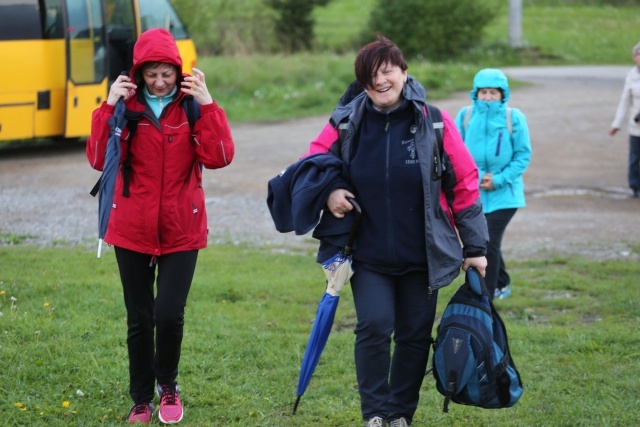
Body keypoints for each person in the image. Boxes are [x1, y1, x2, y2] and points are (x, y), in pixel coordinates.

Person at [268, 34, 488, 427]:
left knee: (415, 336)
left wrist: (475, 247)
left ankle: (400, 415)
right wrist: (332, 189)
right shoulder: (347, 121)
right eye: (370, 76)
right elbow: (314, 159)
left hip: (423, 254)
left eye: (387, 72)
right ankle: (374, 415)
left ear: (403, 72)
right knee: (373, 326)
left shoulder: (434, 122)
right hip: (367, 254)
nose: (380, 82)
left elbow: (465, 183)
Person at [86, 28, 234, 424]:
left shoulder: (190, 107)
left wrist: (208, 104)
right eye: (151, 73)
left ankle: (167, 385)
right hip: (131, 227)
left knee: (169, 313)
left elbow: (220, 157)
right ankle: (140, 398)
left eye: (166, 72)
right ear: (138, 72)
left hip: (181, 229)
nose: (159, 81)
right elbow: (99, 158)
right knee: (140, 318)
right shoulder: (125, 106)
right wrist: (108, 106)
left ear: (178, 69)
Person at [454, 68, 532, 300]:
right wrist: (477, 180)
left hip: (505, 195)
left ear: (502, 94)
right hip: (472, 194)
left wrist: (498, 180)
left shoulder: (513, 117)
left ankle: (484, 297)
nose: (487, 97)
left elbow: (522, 155)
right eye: (483, 92)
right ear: (475, 93)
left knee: (487, 241)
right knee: (486, 241)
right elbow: (455, 154)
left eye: (493, 92)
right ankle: (502, 282)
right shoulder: (465, 116)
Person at [609, 41, 640, 197]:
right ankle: (635, 187)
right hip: (636, 125)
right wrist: (616, 124)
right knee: (635, 157)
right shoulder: (632, 76)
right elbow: (624, 101)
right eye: (639, 54)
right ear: (634, 57)